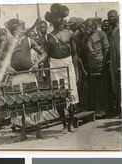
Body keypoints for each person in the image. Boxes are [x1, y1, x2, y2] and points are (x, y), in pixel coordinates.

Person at [0, 18, 47, 142]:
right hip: (16, 78)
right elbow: (0, 60)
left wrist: (36, 64)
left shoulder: (29, 40)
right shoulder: (8, 44)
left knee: (35, 102)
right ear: (10, 31)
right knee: (19, 105)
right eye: (12, 29)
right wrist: (8, 67)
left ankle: (39, 132)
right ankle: (23, 134)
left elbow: (44, 54)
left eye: (17, 28)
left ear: (20, 28)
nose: (15, 31)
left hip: (29, 75)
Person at [43, 3, 79, 134]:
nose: (56, 20)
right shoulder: (48, 37)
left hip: (68, 65)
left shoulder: (70, 33)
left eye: (58, 17)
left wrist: (77, 72)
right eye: (54, 18)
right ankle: (64, 124)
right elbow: (45, 55)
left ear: (62, 18)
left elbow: (75, 54)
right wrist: (44, 73)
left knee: (73, 95)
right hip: (54, 66)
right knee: (58, 97)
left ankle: (70, 124)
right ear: (51, 20)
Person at [82, 18, 110, 116]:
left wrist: (103, 64)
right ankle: (97, 111)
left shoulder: (101, 34)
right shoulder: (86, 36)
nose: (90, 28)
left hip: (100, 64)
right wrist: (85, 37)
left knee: (102, 88)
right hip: (91, 65)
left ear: (94, 25)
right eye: (87, 26)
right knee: (94, 89)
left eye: (91, 26)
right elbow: (84, 50)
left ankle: (104, 111)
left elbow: (106, 50)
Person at [107, 9, 121, 118]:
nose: (111, 18)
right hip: (113, 62)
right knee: (114, 86)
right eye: (109, 17)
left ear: (117, 16)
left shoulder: (121, 30)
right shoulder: (111, 31)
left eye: (113, 16)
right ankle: (120, 110)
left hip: (119, 61)